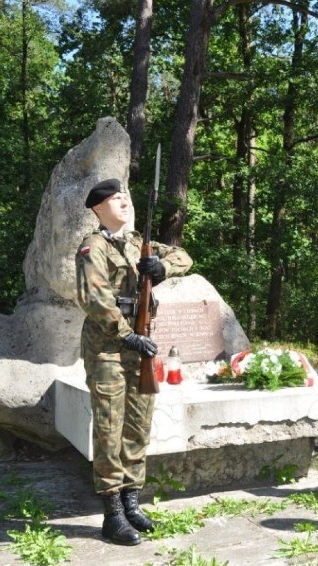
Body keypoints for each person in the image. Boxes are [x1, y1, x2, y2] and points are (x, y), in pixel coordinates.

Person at [76, 178, 193, 545]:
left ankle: (132, 500)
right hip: (108, 347)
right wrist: (126, 334)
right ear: (98, 209)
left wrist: (161, 268)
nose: (124, 200)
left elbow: (184, 257)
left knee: (138, 425)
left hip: (139, 346)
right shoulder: (92, 247)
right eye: (114, 198)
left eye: (126, 195)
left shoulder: (137, 243)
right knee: (110, 429)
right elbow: (94, 298)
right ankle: (112, 513)